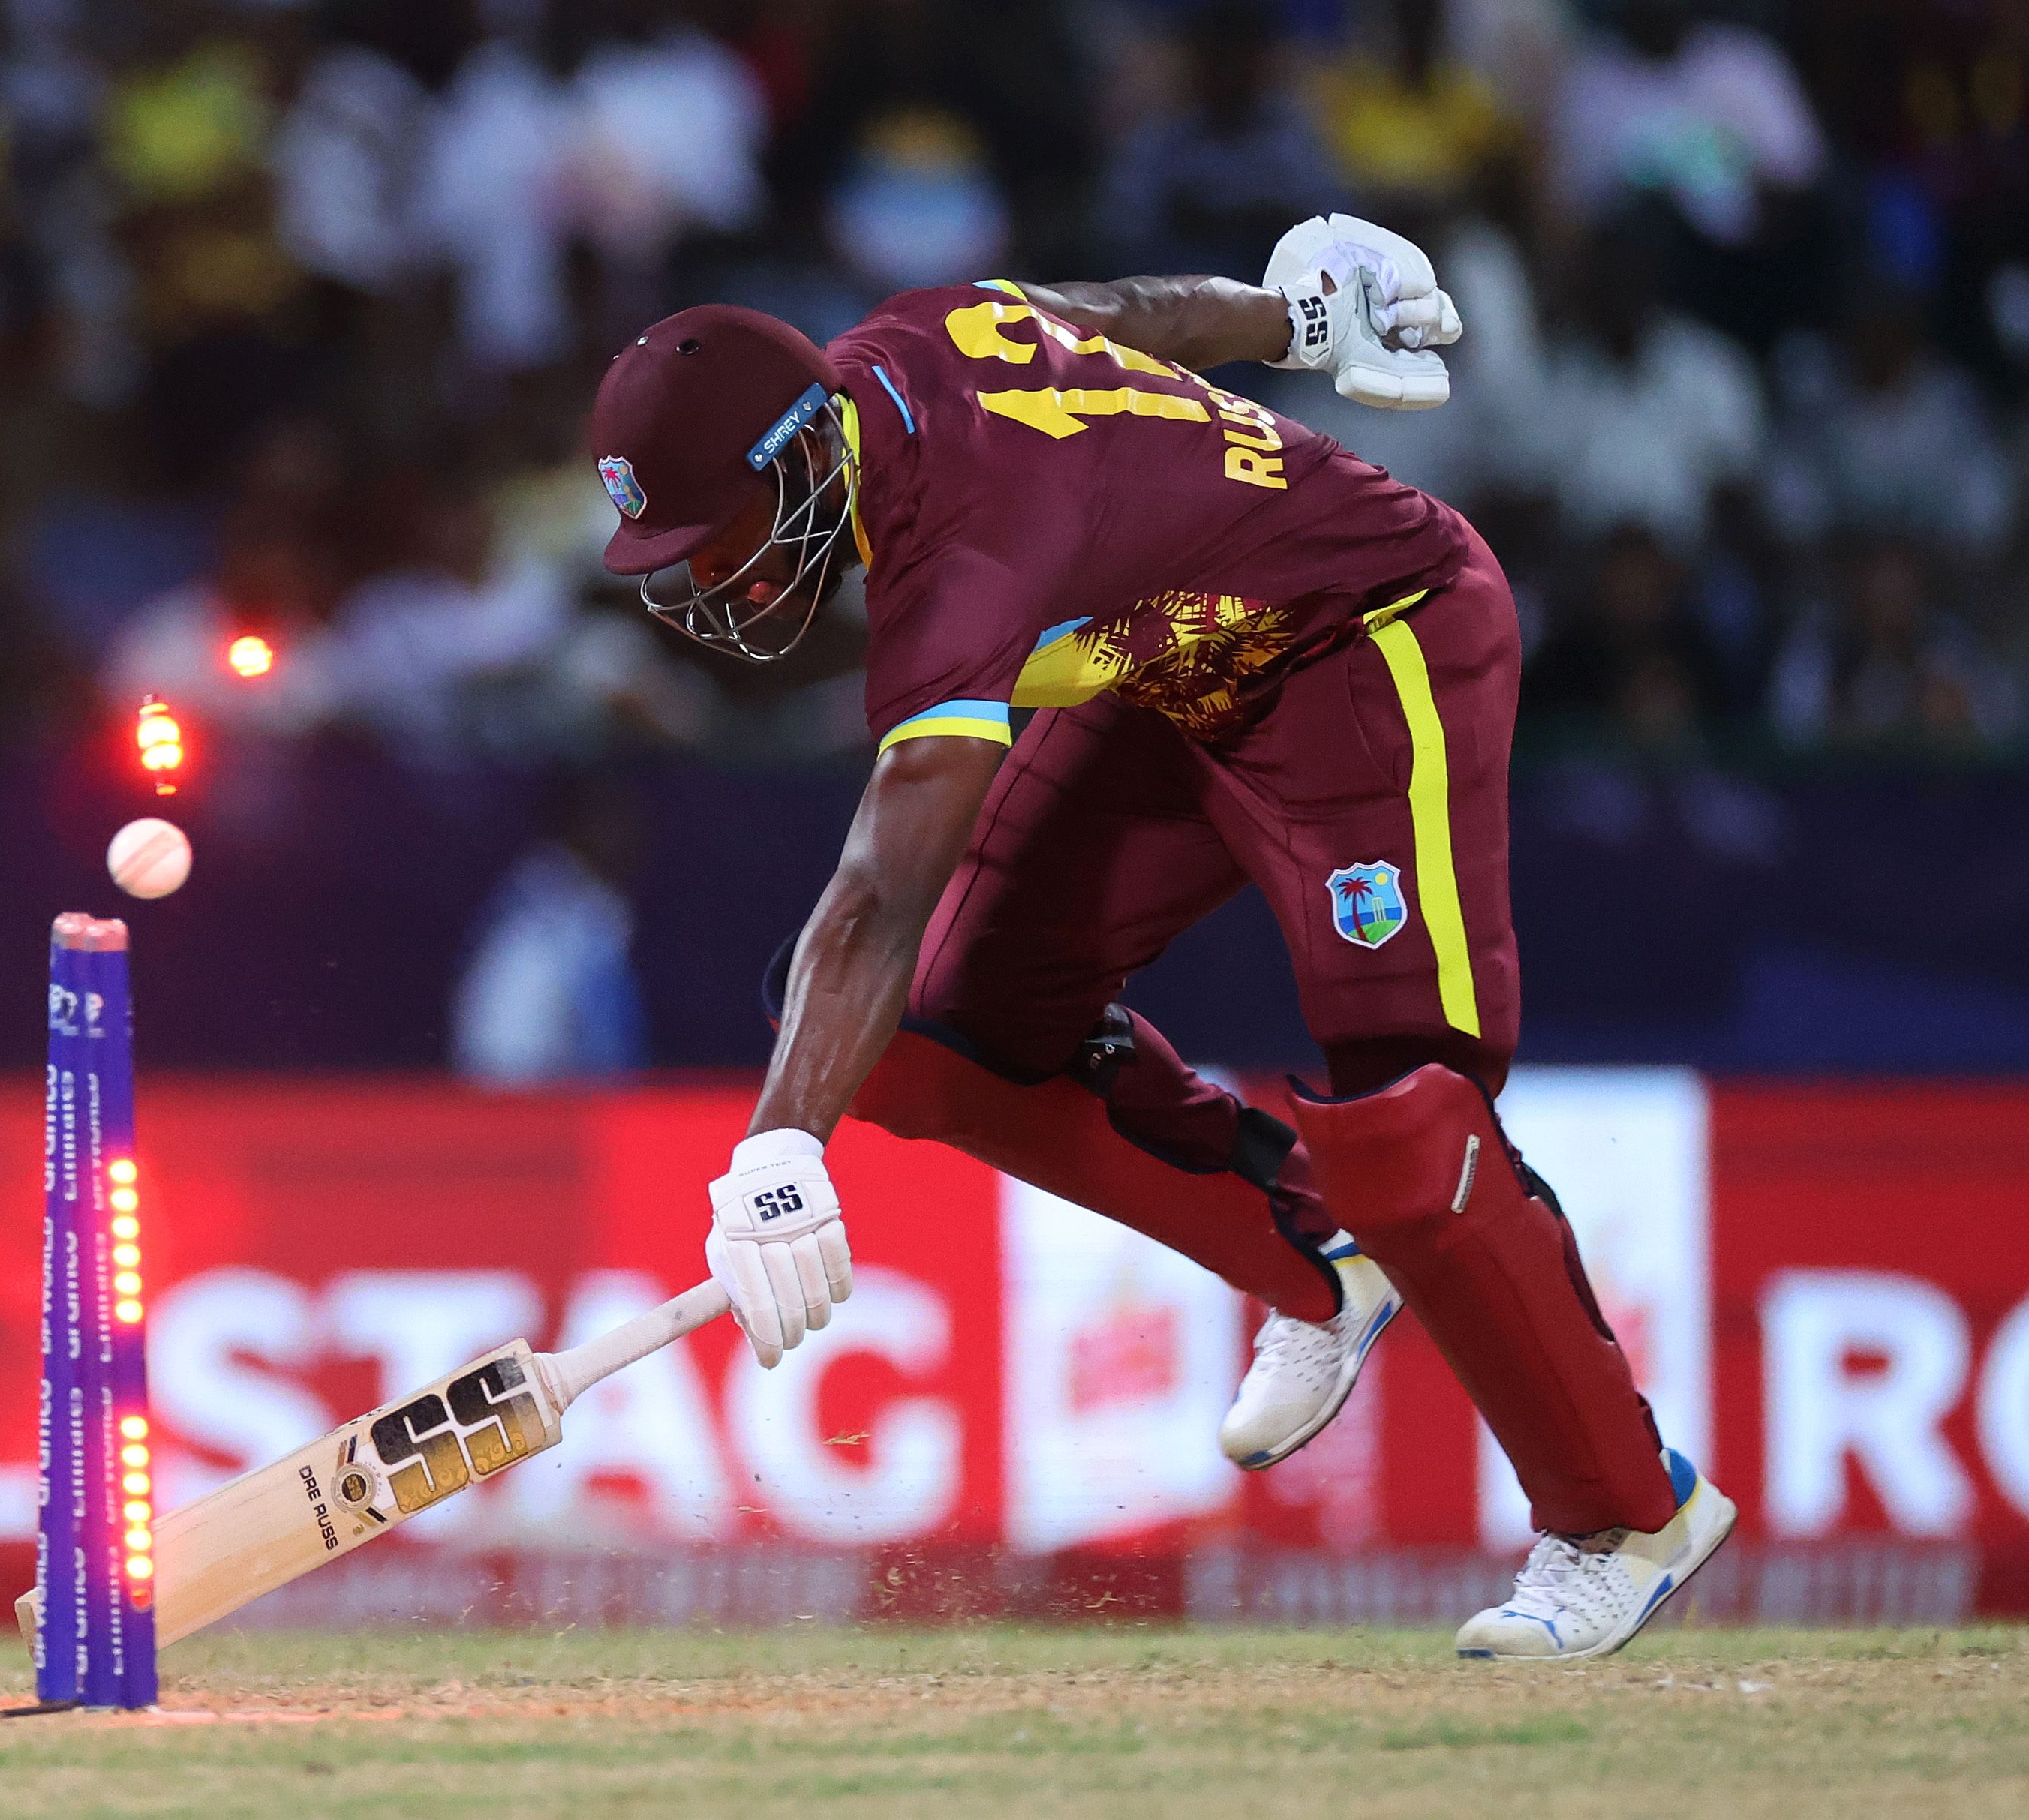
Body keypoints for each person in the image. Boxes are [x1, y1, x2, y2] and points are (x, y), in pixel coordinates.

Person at [583, 216, 1734, 1661]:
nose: (711, 586)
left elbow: (880, 887)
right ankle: (1312, 1251)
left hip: (1365, 638)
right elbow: (1117, 310)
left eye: (716, 541)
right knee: (930, 1032)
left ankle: (1625, 1517)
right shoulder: (899, 346)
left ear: (801, 452)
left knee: (1406, 1113)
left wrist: (774, 1149)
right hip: (1175, 666)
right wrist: (1283, 322)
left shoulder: (964, 551)